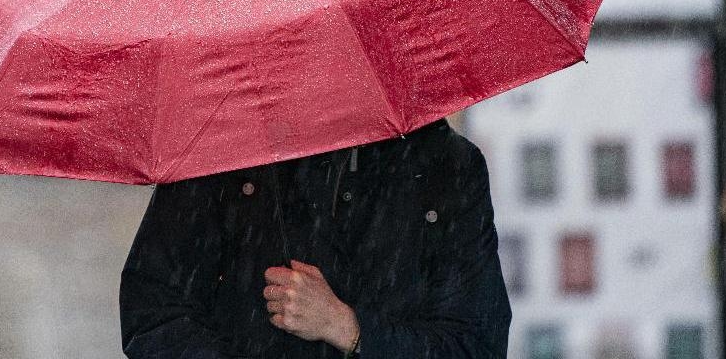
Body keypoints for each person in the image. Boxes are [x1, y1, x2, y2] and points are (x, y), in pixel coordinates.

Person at [120, 119, 511, 358]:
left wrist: (350, 329)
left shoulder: (445, 167)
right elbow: (153, 310)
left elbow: (476, 344)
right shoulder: (225, 150)